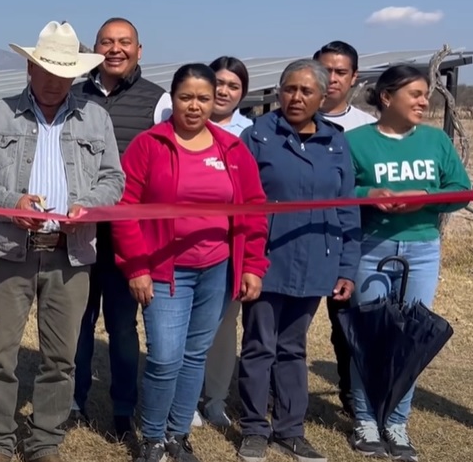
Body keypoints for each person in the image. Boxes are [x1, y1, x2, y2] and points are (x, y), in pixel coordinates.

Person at [0, 21, 124, 462]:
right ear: (30, 68)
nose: (54, 81)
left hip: (71, 256)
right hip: (8, 251)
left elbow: (114, 178)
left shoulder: (96, 118)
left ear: (75, 73)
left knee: (61, 358)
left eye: (64, 72)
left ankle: (45, 441)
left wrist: (87, 206)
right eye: (46, 70)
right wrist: (11, 201)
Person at [112, 63, 268, 462]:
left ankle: (178, 434)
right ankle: (151, 437)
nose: (195, 106)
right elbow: (126, 210)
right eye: (186, 97)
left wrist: (252, 265)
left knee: (195, 355)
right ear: (173, 100)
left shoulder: (231, 148)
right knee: (165, 356)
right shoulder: (149, 145)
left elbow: (252, 209)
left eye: (203, 98)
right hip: (165, 270)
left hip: (216, 268)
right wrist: (137, 267)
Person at [235, 60, 360, 462]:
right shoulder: (258, 137)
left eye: (307, 91)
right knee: (258, 346)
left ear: (323, 98)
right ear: (279, 91)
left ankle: (290, 430)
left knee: (293, 348)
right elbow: (241, 204)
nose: (297, 97)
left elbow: (347, 209)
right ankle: (254, 427)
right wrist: (247, 261)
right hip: (267, 260)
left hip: (316, 260)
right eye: (290, 89)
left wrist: (346, 267)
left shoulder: (337, 143)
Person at [344, 65, 471, 461]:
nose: (423, 101)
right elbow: (340, 189)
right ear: (386, 97)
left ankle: (397, 423)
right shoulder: (355, 141)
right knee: (370, 333)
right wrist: (368, 192)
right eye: (415, 93)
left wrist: (424, 197)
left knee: (412, 337)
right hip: (372, 246)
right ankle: (366, 420)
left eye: (426, 93)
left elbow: (461, 191)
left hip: (422, 248)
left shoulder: (435, 141)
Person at [73, 17, 171, 439]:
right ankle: (73, 404)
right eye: (106, 42)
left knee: (121, 325)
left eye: (124, 42)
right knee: (75, 320)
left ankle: (122, 410)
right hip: (76, 231)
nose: (115, 49)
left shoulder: (158, 100)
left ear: (139, 49)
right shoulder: (73, 94)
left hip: (127, 235)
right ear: (94, 49)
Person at [312, 40, 376, 417]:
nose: (331, 79)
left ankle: (352, 393)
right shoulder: (290, 120)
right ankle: (273, 394)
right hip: (297, 240)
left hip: (348, 242)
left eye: (340, 72)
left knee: (346, 325)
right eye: (325, 70)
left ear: (354, 78)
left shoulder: (367, 129)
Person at [197, 54, 254, 428]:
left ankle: (214, 397)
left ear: (242, 93)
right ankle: (183, 397)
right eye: (218, 83)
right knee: (187, 326)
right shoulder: (179, 124)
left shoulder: (250, 133)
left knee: (222, 325)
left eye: (234, 86)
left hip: (231, 245)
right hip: (186, 248)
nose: (224, 91)